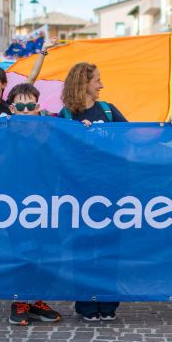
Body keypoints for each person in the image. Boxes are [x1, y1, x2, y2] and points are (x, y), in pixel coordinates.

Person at [59, 62, 125, 322]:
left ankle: (108, 304)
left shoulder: (108, 110)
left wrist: (169, 127)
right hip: (78, 194)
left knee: (109, 248)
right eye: (97, 80)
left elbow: (133, 137)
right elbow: (56, 150)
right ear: (83, 83)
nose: (101, 85)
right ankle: (86, 304)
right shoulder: (65, 116)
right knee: (83, 249)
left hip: (110, 191)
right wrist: (78, 136)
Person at [4, 83, 63, 325]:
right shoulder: (2, 133)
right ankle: (19, 301)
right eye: (20, 107)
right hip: (14, 206)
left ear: (38, 107)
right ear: (12, 109)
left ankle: (36, 299)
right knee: (23, 254)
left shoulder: (49, 132)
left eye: (30, 106)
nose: (26, 111)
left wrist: (85, 127)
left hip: (45, 204)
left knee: (51, 254)